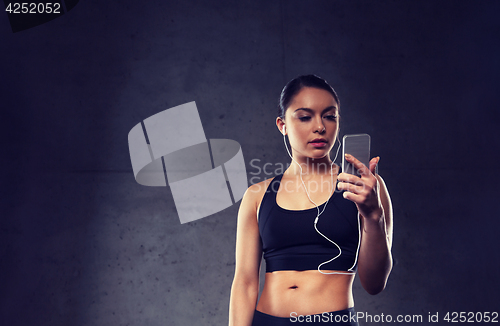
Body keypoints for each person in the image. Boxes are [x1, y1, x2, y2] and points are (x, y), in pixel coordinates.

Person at [228, 75, 393, 326]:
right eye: (305, 117)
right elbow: (245, 282)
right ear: (282, 125)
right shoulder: (257, 196)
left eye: (329, 116)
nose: (320, 127)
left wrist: (373, 215)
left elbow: (374, 284)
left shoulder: (366, 189)